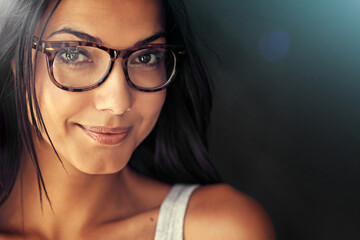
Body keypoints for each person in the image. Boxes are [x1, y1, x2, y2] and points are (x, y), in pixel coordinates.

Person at [0, 0, 276, 239]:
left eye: (146, 57)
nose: (118, 103)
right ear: (14, 59)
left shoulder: (219, 231)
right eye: (74, 54)